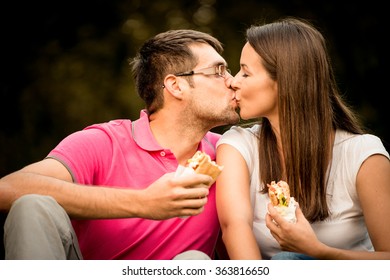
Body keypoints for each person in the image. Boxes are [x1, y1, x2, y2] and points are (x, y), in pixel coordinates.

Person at [0, 29, 240, 260]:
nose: (233, 82)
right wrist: (143, 203)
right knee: (32, 204)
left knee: (194, 261)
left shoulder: (229, 154)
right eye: (218, 70)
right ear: (176, 86)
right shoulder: (102, 142)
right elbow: (7, 189)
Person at [216, 17, 390, 260]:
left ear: (286, 81)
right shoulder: (237, 146)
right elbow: (234, 227)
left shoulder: (364, 155)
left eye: (246, 73)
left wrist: (317, 251)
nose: (233, 82)